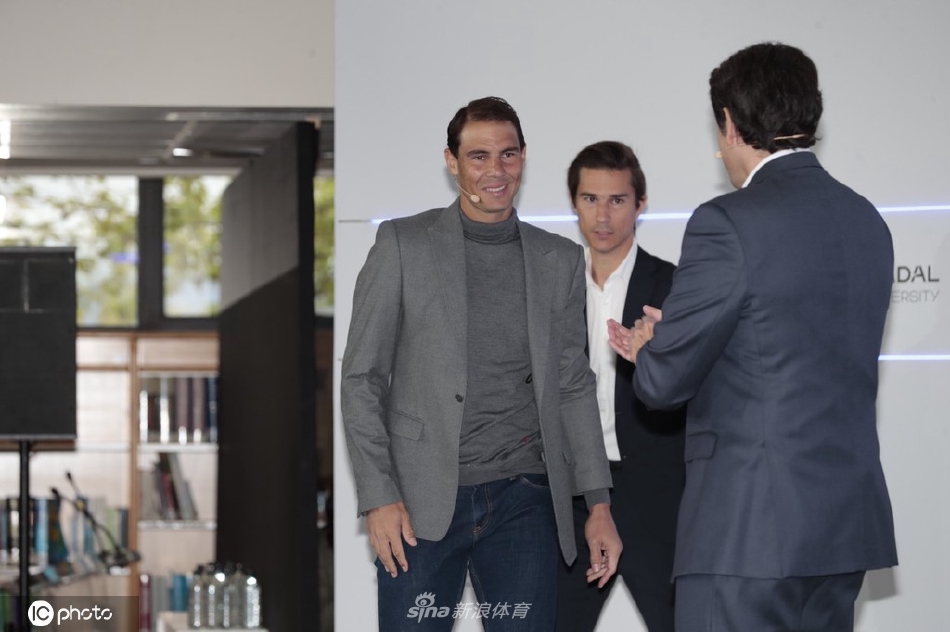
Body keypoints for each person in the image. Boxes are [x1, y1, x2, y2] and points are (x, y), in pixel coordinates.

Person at [608, 42, 898, 632]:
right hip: (843, 527)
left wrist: (653, 346)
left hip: (748, 532)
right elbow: (788, 345)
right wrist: (688, 335)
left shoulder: (727, 222)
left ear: (731, 124)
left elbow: (662, 385)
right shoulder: (867, 220)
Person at [341, 96, 622, 631]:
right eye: (479, 156)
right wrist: (379, 496)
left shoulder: (559, 259)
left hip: (524, 498)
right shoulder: (403, 244)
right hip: (418, 503)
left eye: (508, 154)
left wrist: (599, 504)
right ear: (452, 161)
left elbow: (571, 385)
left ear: (523, 157)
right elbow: (361, 379)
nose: (496, 170)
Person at [556, 141, 684, 632]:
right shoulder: (551, 291)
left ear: (640, 204)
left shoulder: (675, 289)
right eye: (590, 199)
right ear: (574, 204)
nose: (603, 215)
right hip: (572, 494)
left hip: (658, 491)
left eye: (617, 200)